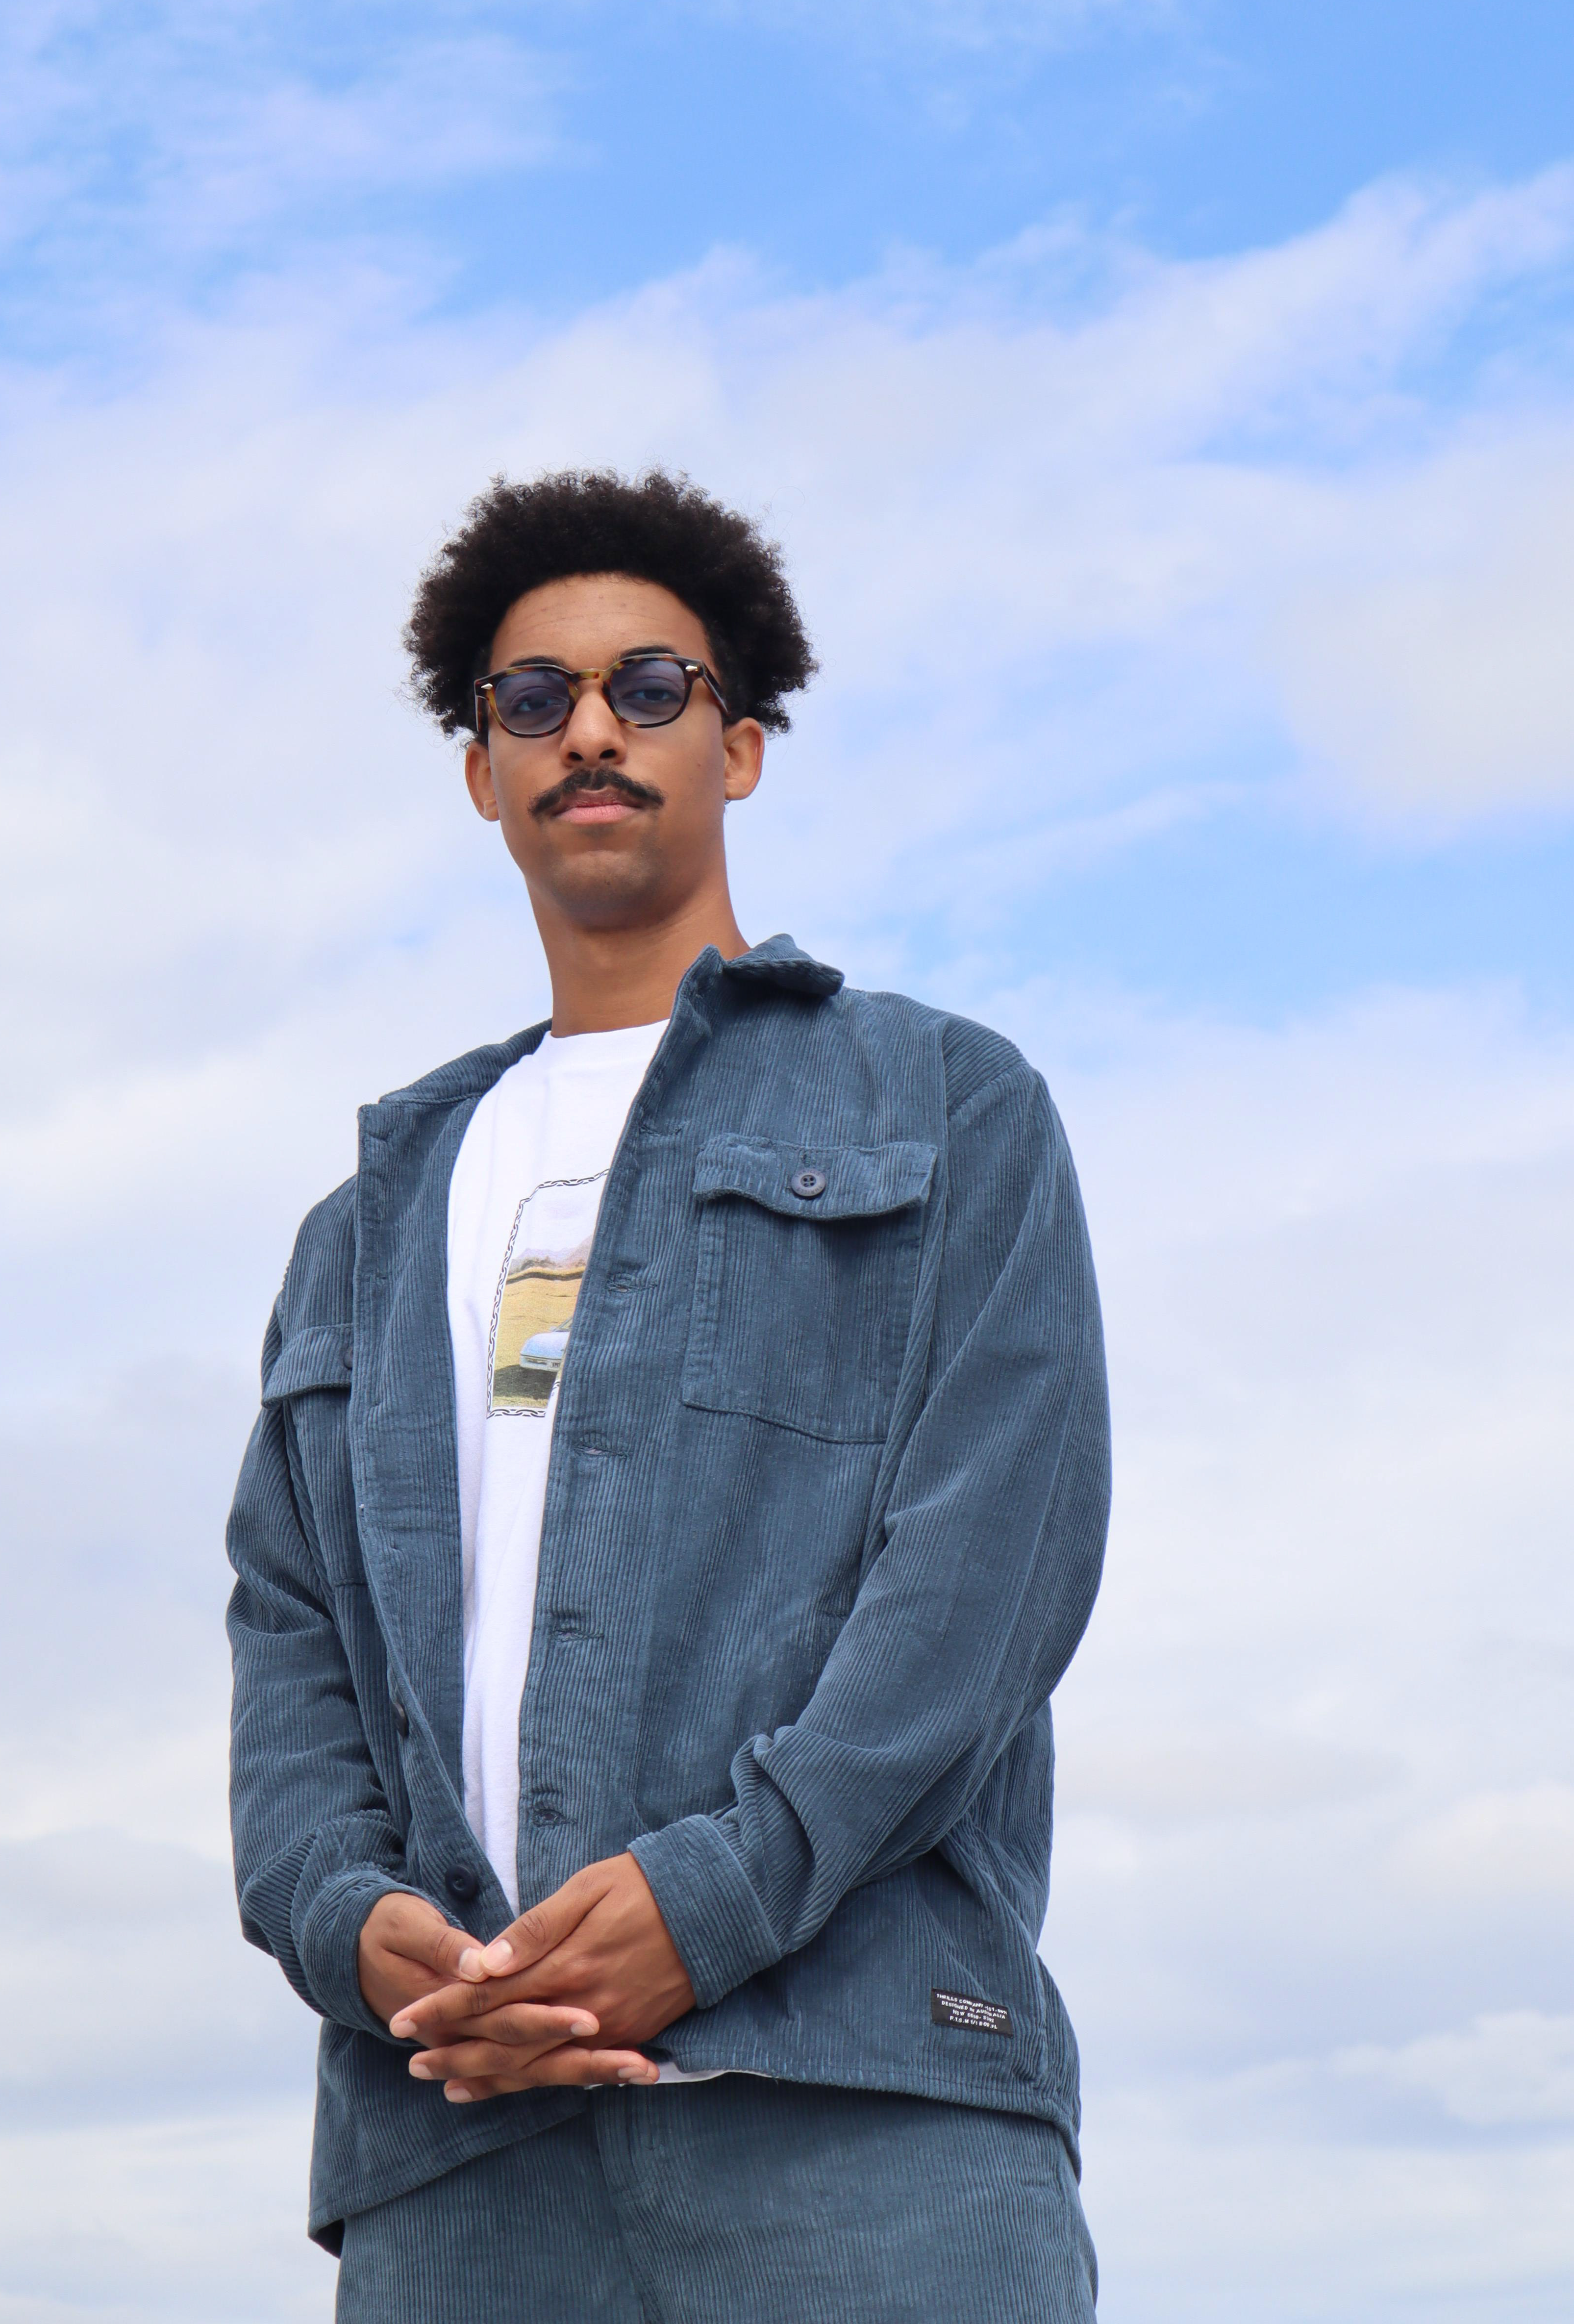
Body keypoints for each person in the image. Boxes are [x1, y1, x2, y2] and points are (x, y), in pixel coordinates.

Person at [227, 467, 1111, 2322]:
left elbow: (990, 1572)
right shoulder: (364, 1228)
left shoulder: (945, 1107)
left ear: (743, 746)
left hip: (862, 2117)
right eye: (530, 698)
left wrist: (717, 1898)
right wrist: (356, 1930)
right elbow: (291, 1639)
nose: (589, 730)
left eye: (649, 685)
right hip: (460, 2156)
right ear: (484, 772)